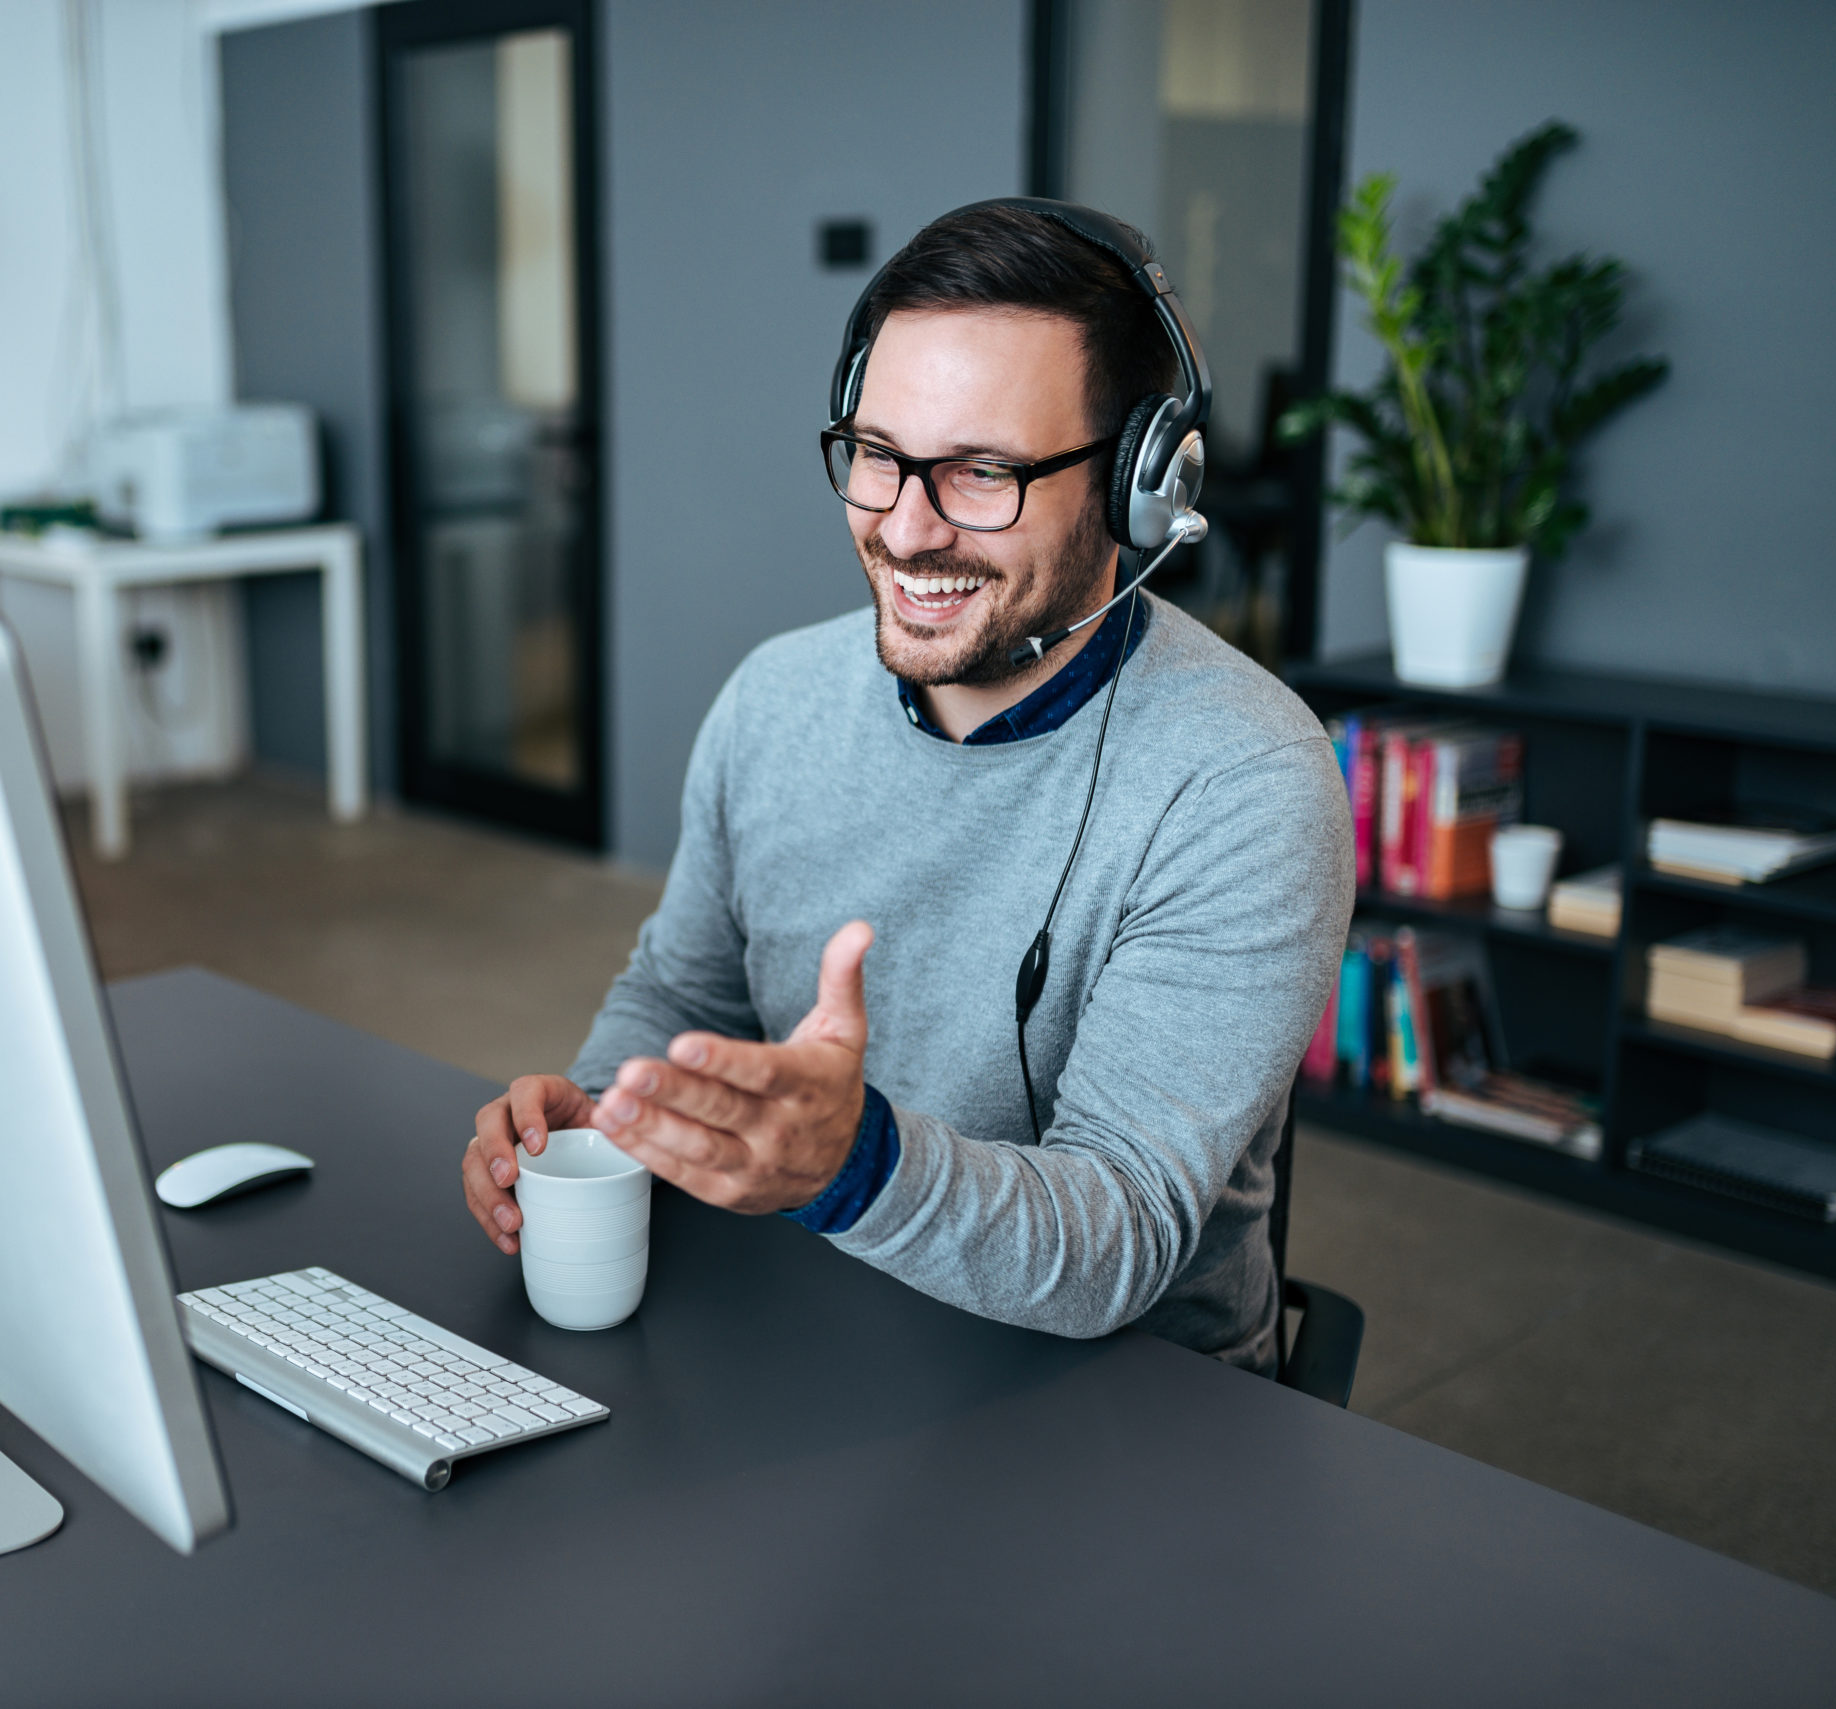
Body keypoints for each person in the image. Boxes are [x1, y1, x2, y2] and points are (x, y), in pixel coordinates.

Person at [458, 201, 1354, 1371]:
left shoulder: (1244, 782)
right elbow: (683, 988)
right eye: (878, 457)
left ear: (1137, 485)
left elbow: (1122, 1235)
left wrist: (853, 1162)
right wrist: (595, 1116)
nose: (908, 529)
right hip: (804, 1325)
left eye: (982, 470)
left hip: (1120, 1413)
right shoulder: (771, 697)